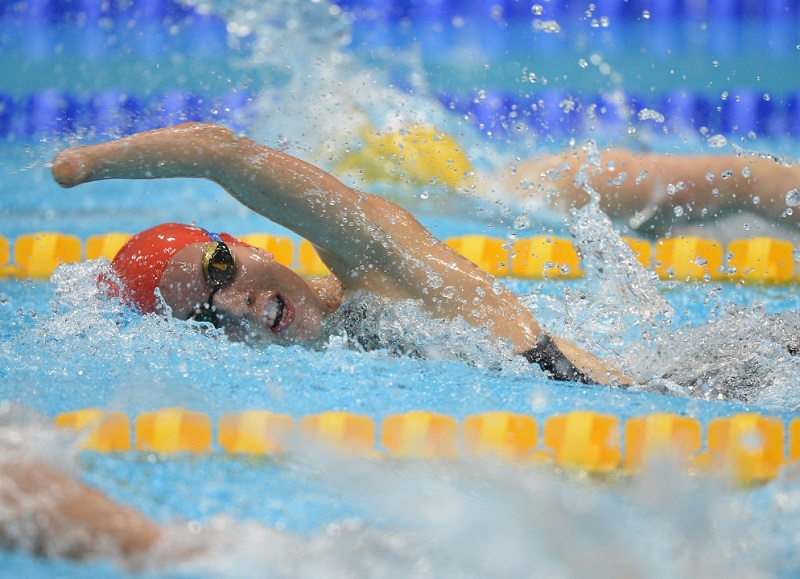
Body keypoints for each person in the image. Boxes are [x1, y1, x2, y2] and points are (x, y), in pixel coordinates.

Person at [51, 122, 631, 386]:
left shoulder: (379, 268)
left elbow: (219, 153)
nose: (233, 304)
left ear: (245, 244)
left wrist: (86, 166)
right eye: (204, 319)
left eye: (218, 269)